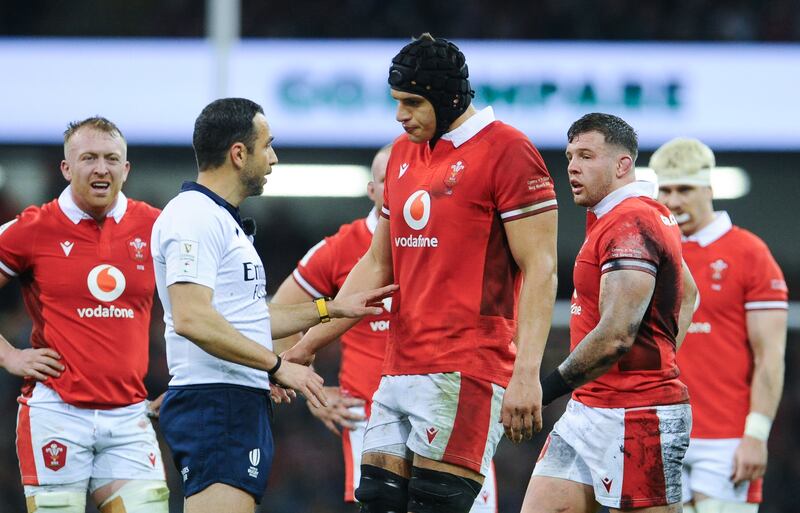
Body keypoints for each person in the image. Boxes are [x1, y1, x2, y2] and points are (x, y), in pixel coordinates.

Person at [284, 33, 558, 513]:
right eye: (397, 102)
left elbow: (541, 269)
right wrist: (307, 347)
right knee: (377, 501)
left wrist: (526, 374)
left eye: (412, 102)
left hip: (466, 366)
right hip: (397, 367)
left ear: (449, 97)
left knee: (437, 505)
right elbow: (376, 264)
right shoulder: (403, 154)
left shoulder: (509, 150)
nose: (400, 115)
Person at [151, 97, 396, 513]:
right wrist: (279, 366)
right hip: (218, 401)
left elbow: (248, 318)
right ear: (238, 153)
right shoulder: (193, 216)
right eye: (268, 146)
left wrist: (330, 309)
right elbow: (193, 318)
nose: (275, 158)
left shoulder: (222, 220)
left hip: (234, 400)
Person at [271, 144, 499, 511]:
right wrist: (311, 384)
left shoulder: (447, 235)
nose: (398, 186)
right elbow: (281, 309)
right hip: (371, 410)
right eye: (386, 180)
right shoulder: (342, 247)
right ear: (374, 190)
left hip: (449, 400)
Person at [520, 113, 699, 513]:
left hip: (638, 416)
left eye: (586, 155)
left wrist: (542, 391)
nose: (572, 166)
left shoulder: (632, 221)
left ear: (622, 165)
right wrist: (663, 352)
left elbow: (617, 335)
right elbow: (689, 295)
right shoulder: (624, 216)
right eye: (569, 156)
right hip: (589, 407)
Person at [0, 117, 170, 513]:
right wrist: (9, 355)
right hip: (56, 413)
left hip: (130, 416)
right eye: (89, 158)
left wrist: (185, 380)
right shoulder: (32, 228)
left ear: (126, 169)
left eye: (112, 159)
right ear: (66, 167)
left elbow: (195, 306)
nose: (101, 168)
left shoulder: (156, 226)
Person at [651, 138, 788, 513]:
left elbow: (770, 357)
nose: (674, 200)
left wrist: (756, 436)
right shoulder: (651, 252)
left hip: (725, 440)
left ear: (709, 189)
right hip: (658, 434)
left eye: (685, 189)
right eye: (665, 189)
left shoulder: (750, 254)